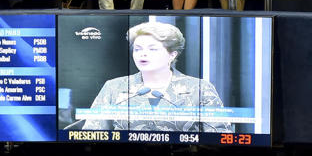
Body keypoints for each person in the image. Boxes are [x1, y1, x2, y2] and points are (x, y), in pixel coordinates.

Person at [82, 21, 231, 133]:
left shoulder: (200, 88)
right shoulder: (114, 87)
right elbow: (91, 133)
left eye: (152, 49)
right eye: (138, 49)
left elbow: (221, 136)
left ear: (172, 54)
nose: (143, 54)